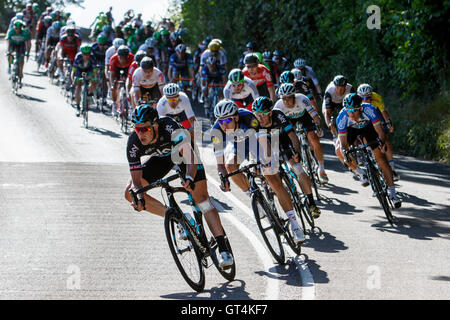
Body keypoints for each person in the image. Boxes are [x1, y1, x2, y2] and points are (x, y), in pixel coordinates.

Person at [124, 104, 234, 269]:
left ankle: (223, 248)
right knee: (130, 193)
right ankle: (177, 218)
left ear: (155, 125)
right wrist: (139, 198)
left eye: (145, 129)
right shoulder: (133, 143)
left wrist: (189, 177)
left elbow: (190, 158)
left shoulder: (169, 126)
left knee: (202, 200)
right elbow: (137, 180)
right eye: (137, 129)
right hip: (160, 160)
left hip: (183, 154)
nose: (140, 134)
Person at [211, 100, 306, 244]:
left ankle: (295, 225)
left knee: (272, 179)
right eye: (220, 121)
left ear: (236, 117)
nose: (224, 125)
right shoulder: (216, 131)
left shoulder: (249, 118)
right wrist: (223, 177)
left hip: (258, 142)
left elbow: (264, 144)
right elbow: (220, 165)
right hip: (240, 145)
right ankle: (254, 197)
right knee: (230, 166)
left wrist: (266, 161)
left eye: (228, 120)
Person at [252, 96, 321, 218]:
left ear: (271, 113)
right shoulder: (254, 122)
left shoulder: (278, 115)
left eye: (263, 114)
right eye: (257, 114)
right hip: (268, 144)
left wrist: (297, 152)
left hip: (283, 141)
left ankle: (311, 203)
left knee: (299, 169)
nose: (260, 117)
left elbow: (292, 135)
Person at [337, 93, 402, 208]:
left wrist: (381, 143)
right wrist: (346, 154)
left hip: (368, 128)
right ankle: (361, 173)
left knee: (381, 158)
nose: (351, 114)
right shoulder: (342, 117)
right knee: (339, 151)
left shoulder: (369, 109)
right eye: (349, 110)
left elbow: (380, 132)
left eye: (355, 110)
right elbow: (343, 143)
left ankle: (393, 193)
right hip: (351, 130)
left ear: (361, 108)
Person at [275, 83, 329, 184]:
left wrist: (319, 127)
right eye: (284, 98)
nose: (286, 101)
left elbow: (315, 116)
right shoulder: (278, 106)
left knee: (313, 137)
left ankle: (321, 169)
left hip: (305, 117)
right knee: (291, 138)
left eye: (289, 98)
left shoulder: (302, 99)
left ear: (294, 96)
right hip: (289, 120)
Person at [357, 84, 399, 181]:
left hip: (376, 116)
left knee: (385, 139)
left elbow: (384, 113)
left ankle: (392, 168)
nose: (365, 100)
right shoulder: (356, 102)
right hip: (363, 119)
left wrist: (388, 124)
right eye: (362, 98)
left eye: (367, 97)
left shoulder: (377, 99)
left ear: (371, 96)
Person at [322, 75, 356, 164]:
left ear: (346, 86)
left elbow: (356, 106)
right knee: (327, 114)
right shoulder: (330, 91)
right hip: (332, 102)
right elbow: (328, 113)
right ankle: (335, 135)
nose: (340, 91)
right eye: (338, 88)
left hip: (344, 102)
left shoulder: (350, 88)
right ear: (335, 86)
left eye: (342, 88)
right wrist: (330, 125)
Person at [71, 44, 98, 117]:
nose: (86, 56)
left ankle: (89, 95)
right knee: (78, 87)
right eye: (84, 54)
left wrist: (95, 79)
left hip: (89, 71)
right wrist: (73, 79)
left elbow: (95, 71)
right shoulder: (78, 57)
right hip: (79, 71)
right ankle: (78, 107)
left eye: (88, 54)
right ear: (82, 53)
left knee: (93, 81)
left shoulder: (92, 58)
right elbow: (73, 71)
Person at [109, 45, 135, 116]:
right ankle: (114, 105)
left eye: (124, 58)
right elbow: (111, 74)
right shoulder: (113, 59)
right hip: (117, 70)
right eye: (120, 58)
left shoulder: (132, 58)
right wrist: (112, 85)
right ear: (118, 56)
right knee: (114, 87)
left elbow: (134, 74)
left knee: (131, 87)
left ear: (128, 56)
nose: (122, 60)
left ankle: (130, 107)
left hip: (128, 70)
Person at [6, 19, 31, 85]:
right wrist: (8, 51)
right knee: (10, 54)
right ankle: (9, 66)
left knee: (21, 60)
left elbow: (26, 43)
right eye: (16, 28)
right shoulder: (11, 31)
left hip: (21, 45)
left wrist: (27, 52)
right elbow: (8, 42)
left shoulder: (24, 33)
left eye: (19, 28)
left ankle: (20, 72)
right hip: (13, 44)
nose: (17, 30)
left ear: (21, 28)